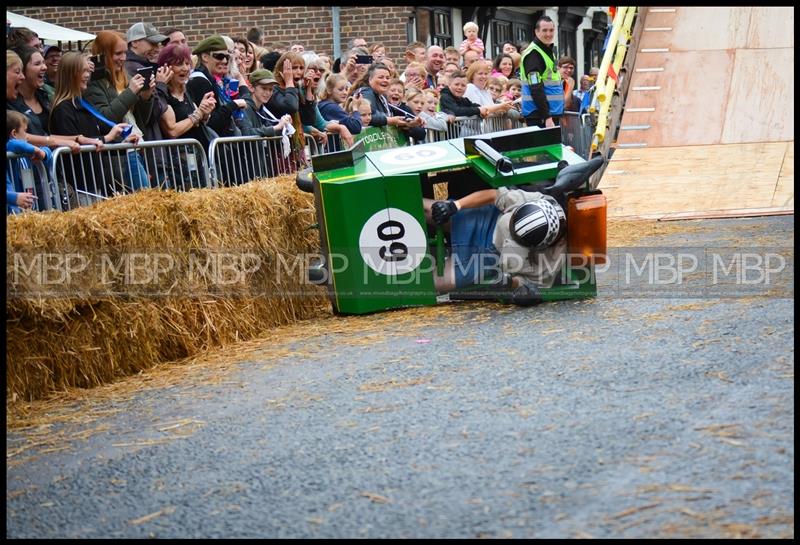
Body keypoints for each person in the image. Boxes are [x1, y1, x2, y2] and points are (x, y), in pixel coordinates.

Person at [424, 185, 570, 304]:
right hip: (486, 220)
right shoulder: (535, 200)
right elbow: (494, 195)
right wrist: (455, 206)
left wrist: (508, 283)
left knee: (430, 283)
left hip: (486, 260)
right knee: (426, 208)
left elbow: (527, 284)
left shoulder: (552, 261)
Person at [49, 52, 138, 202]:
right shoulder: (63, 109)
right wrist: (108, 137)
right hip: (79, 185)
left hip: (94, 181)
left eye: (88, 71)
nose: (88, 75)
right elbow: (73, 145)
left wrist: (121, 143)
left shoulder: (82, 104)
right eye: (83, 71)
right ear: (71, 74)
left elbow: (94, 142)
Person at [86, 30, 157, 189]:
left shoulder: (123, 76)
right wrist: (131, 92)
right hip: (119, 155)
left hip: (137, 147)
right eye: (118, 53)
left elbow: (141, 120)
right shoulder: (94, 82)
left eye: (125, 52)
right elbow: (105, 118)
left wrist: (146, 97)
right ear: (103, 53)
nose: (123, 58)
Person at [6, 50, 93, 153]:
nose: (22, 77)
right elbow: (21, 137)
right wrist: (40, 150)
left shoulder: (45, 98)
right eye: (17, 72)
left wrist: (77, 138)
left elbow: (40, 135)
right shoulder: (12, 106)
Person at [154, 43, 216, 189]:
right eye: (179, 64)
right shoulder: (163, 95)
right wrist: (199, 113)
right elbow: (172, 130)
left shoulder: (188, 91)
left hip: (198, 158)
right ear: (166, 68)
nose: (185, 68)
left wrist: (205, 113)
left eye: (187, 63)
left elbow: (197, 118)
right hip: (178, 165)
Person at [238, 68, 295, 177]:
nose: (268, 93)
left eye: (271, 89)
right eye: (264, 88)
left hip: (260, 166)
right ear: (251, 87)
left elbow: (270, 132)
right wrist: (276, 127)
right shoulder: (243, 107)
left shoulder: (262, 109)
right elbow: (246, 133)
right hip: (247, 168)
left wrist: (285, 127)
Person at [348, 62, 425, 142]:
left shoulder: (383, 97)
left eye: (387, 78)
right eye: (381, 77)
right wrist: (389, 121)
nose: (385, 80)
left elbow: (420, 134)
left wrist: (410, 123)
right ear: (370, 79)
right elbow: (366, 118)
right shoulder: (366, 93)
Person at [520, 15, 564, 128]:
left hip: (549, 112)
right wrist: (547, 117)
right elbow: (535, 87)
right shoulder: (533, 54)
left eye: (551, 30)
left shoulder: (547, 50)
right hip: (539, 115)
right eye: (544, 30)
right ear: (536, 32)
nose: (548, 34)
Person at [6, 110, 46, 214]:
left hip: (26, 206)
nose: (27, 136)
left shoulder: (25, 151)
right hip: (12, 209)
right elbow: (12, 144)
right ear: (14, 133)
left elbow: (48, 152)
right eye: (25, 131)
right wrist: (35, 149)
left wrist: (43, 153)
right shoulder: (11, 148)